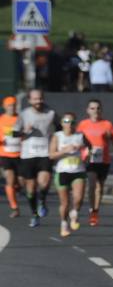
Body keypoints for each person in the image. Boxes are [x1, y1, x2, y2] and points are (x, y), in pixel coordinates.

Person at [75, 99, 113, 226]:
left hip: (103, 160)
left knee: (100, 186)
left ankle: (95, 211)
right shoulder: (83, 124)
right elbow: (76, 140)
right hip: (89, 159)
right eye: (92, 108)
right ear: (88, 110)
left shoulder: (107, 124)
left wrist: (111, 136)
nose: (95, 111)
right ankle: (91, 207)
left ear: (101, 110)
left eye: (98, 108)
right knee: (92, 184)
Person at [17, 89, 56, 228]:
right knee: (31, 189)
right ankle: (34, 214)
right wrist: (23, 131)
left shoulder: (51, 113)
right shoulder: (24, 114)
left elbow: (59, 129)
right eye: (35, 99)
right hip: (28, 155)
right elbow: (14, 132)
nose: (38, 101)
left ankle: (42, 201)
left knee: (44, 183)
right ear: (29, 100)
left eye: (40, 98)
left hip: (44, 153)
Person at [48, 113, 88, 238]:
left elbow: (88, 149)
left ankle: (74, 213)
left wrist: (86, 152)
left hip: (78, 171)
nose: (69, 124)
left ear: (75, 123)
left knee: (78, 198)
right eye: (66, 121)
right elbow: (51, 155)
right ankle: (64, 225)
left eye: (71, 121)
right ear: (62, 123)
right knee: (64, 203)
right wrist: (64, 151)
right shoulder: (57, 136)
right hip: (62, 172)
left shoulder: (80, 136)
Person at [2, 96, 22, 217]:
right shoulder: (1, 120)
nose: (12, 107)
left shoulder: (20, 119)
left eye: (14, 105)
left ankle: (17, 186)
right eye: (9, 105)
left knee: (20, 181)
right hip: (5, 154)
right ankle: (14, 207)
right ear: (4, 106)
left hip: (20, 154)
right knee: (9, 179)